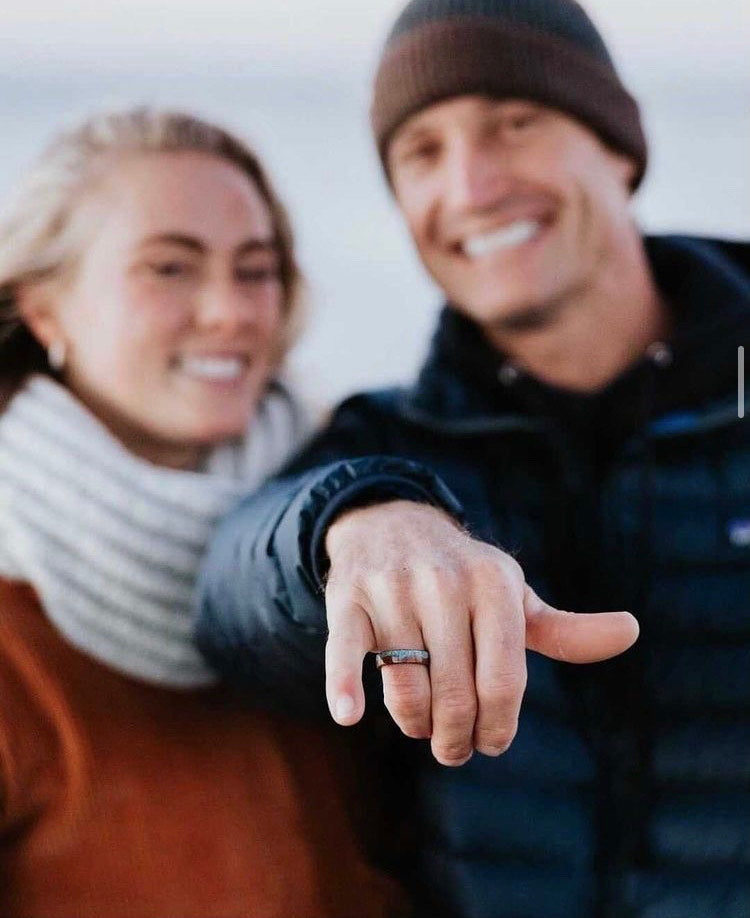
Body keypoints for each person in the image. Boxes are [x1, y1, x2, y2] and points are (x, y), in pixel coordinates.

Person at [197, 1, 750, 916]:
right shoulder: (385, 441)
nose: (472, 183)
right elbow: (230, 601)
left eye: (515, 123)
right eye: (422, 152)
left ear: (619, 146)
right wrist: (359, 523)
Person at [0, 108, 402, 918]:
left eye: (256, 269)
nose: (230, 311)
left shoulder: (364, 540)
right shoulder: (16, 637)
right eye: (170, 269)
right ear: (46, 313)